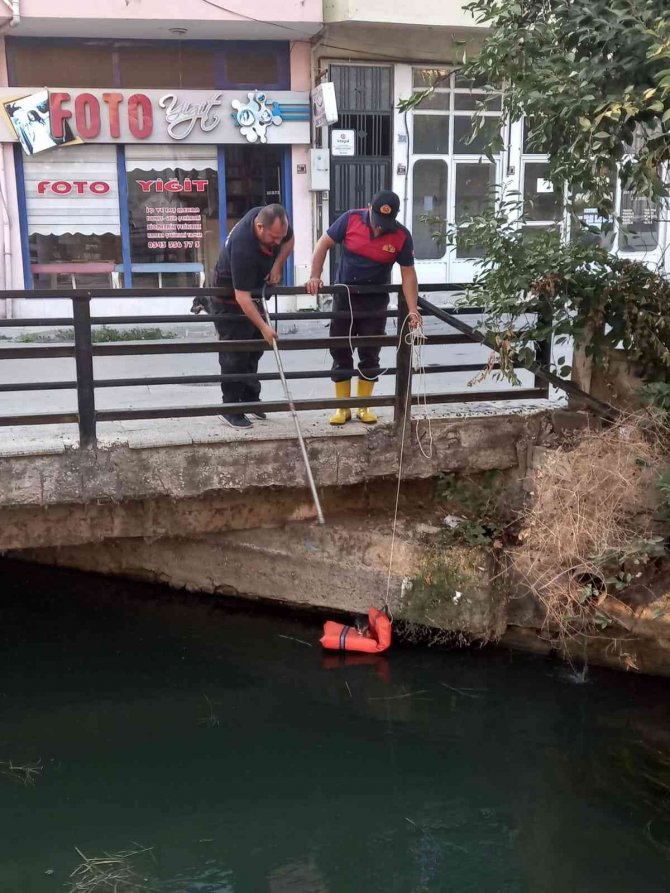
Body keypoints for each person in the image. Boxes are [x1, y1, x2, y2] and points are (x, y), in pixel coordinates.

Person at [305, 190, 420, 425]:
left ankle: (363, 406)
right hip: (345, 297)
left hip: (375, 303)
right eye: (377, 221)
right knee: (340, 350)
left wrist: (412, 308)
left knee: (370, 353)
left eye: (385, 223)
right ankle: (342, 408)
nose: (379, 227)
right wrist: (315, 275)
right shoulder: (350, 219)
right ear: (369, 207)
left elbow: (408, 273)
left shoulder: (401, 236)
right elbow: (323, 244)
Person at [211, 203, 294, 429]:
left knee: (254, 350)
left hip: (253, 296)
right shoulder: (243, 247)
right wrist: (265, 327)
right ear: (259, 227)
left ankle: (250, 398)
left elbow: (289, 240)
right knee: (235, 354)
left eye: (280, 236)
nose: (278, 242)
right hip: (230, 301)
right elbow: (242, 297)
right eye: (274, 238)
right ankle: (230, 408)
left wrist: (277, 266)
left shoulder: (273, 221)